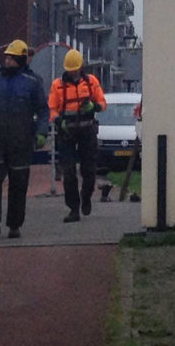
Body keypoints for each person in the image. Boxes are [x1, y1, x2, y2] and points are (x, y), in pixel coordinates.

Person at [0, 40, 47, 239]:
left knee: (18, 183)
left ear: (21, 60)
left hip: (21, 140)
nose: (8, 61)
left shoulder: (33, 83)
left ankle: (14, 225)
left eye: (12, 58)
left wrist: (41, 132)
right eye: (6, 57)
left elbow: (42, 110)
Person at [48, 47, 107, 223]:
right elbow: (52, 109)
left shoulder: (91, 82)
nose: (72, 72)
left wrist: (93, 107)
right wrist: (59, 121)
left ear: (81, 67)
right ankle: (73, 209)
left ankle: (86, 197)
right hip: (67, 133)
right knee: (69, 172)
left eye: (75, 69)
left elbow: (103, 103)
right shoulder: (57, 85)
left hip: (87, 131)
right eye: (69, 69)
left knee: (89, 169)